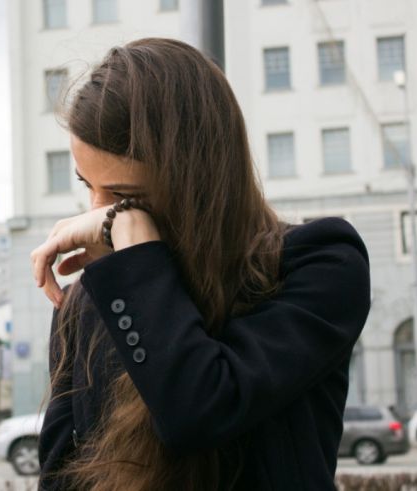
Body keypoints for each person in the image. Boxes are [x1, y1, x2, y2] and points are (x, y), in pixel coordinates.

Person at [30, 38, 371, 490]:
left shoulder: (320, 263)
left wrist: (130, 236)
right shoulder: (90, 301)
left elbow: (200, 409)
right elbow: (60, 477)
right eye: (87, 185)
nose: (97, 213)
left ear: (197, 177)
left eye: (124, 196)